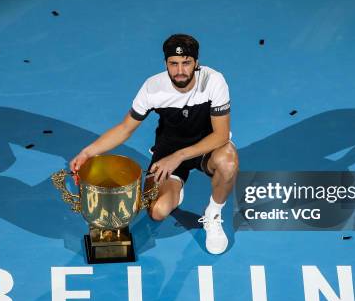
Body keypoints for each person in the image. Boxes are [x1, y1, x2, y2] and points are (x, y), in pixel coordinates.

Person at [69, 34, 238, 254]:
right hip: (168, 150)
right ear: (166, 63)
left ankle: (213, 215)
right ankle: (175, 188)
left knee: (228, 161)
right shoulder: (153, 88)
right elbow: (125, 128)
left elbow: (221, 135)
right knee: (158, 211)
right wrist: (87, 152)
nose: (180, 71)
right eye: (173, 64)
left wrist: (178, 156)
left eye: (186, 63)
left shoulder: (214, 81)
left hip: (207, 147)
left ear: (196, 63)